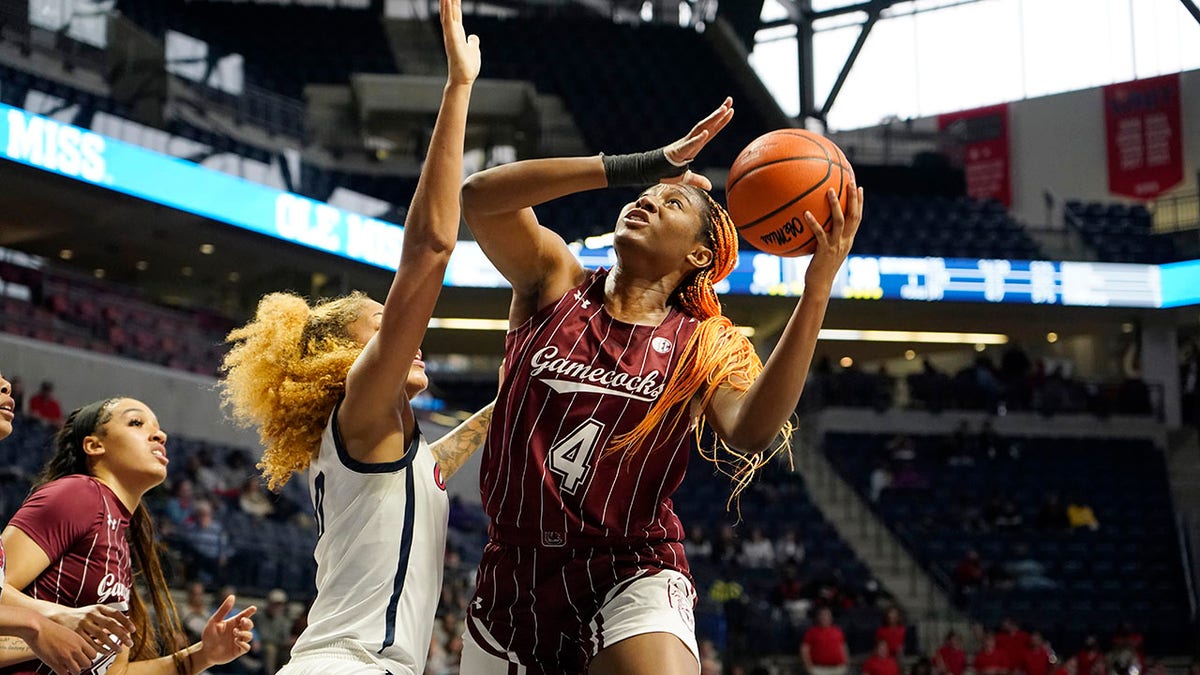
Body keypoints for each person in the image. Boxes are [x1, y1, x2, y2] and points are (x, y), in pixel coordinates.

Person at [459, 92, 862, 673]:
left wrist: (816, 290)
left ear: (700, 255)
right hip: (512, 569)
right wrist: (641, 164)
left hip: (631, 564)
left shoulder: (703, 343)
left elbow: (750, 430)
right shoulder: (555, 281)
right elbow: (479, 199)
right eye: (644, 195)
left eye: (669, 202)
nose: (646, 203)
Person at [218, 3, 487, 673]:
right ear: (348, 357)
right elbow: (428, 247)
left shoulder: (387, 443)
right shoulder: (362, 407)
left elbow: (447, 452)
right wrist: (457, 88)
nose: (408, 339)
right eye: (384, 326)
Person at [0, 397, 256, 675]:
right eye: (136, 422)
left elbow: (115, 672)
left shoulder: (117, 538)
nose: (160, 434)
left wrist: (202, 655)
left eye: (158, 428)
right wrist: (49, 627)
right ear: (94, 446)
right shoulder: (78, 494)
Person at [801, 608, 849, 675]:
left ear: (831, 618)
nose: (825, 617)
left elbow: (843, 647)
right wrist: (808, 666)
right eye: (823, 615)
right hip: (819, 669)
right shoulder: (811, 632)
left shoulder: (838, 631)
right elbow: (805, 649)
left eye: (827, 615)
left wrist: (846, 663)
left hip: (838, 668)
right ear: (818, 617)